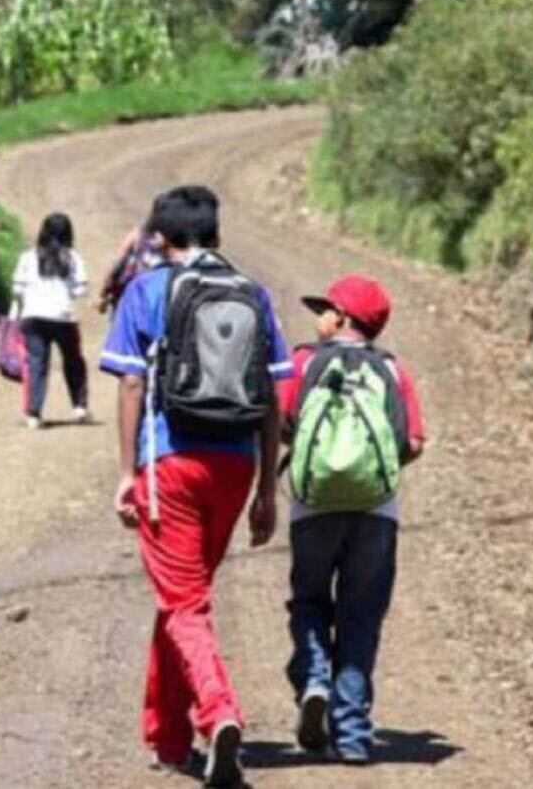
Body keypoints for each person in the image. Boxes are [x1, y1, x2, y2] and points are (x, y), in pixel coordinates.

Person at [100, 185, 293, 787]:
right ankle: (168, 734)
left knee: (183, 603)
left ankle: (219, 714)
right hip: (234, 467)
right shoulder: (252, 293)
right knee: (181, 597)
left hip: (171, 465)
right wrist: (265, 488)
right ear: (217, 234)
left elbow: (130, 386)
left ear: (159, 239)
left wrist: (129, 473)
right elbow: (270, 397)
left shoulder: (147, 289)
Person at [276, 276, 426, 764]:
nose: (318, 317)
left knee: (310, 601)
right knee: (361, 615)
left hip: (314, 507)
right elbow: (413, 443)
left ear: (341, 318)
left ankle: (315, 678)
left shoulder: (304, 362)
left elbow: (281, 423)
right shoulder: (392, 370)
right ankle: (355, 734)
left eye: (324, 309)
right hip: (376, 513)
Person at [11, 212, 90, 429]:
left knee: (37, 364)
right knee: (73, 360)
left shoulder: (28, 257)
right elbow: (80, 288)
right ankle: (79, 406)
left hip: (33, 316)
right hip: (63, 316)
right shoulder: (73, 258)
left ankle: (34, 413)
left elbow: (17, 288)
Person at [97, 221, 163, 315]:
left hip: (128, 291)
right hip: (155, 297)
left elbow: (117, 261)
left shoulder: (137, 234)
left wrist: (104, 292)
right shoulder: (174, 242)